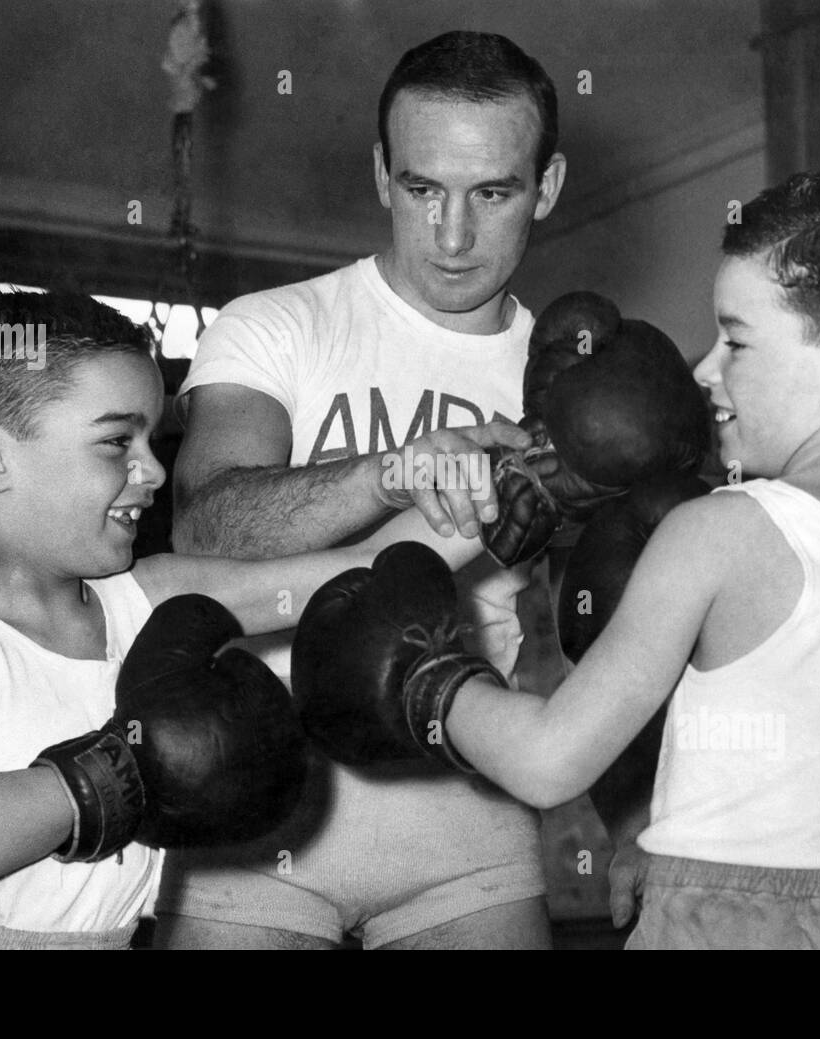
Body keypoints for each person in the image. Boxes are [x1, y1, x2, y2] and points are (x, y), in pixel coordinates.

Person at [292, 172, 820, 950]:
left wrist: (426, 684)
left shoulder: (719, 530)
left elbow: (550, 759)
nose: (705, 370)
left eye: (737, 340)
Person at [0, 289, 487, 950]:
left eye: (151, 439)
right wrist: (133, 756)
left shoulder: (145, 597)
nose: (153, 469)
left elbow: (361, 569)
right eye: (115, 442)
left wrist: (511, 482)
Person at [158, 30, 567, 950]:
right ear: (384, 175)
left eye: (492, 193)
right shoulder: (274, 325)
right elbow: (206, 524)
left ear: (546, 187)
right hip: (254, 823)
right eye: (423, 189)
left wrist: (642, 823)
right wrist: (395, 468)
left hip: (469, 824)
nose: (453, 236)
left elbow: (627, 619)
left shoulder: (568, 382)